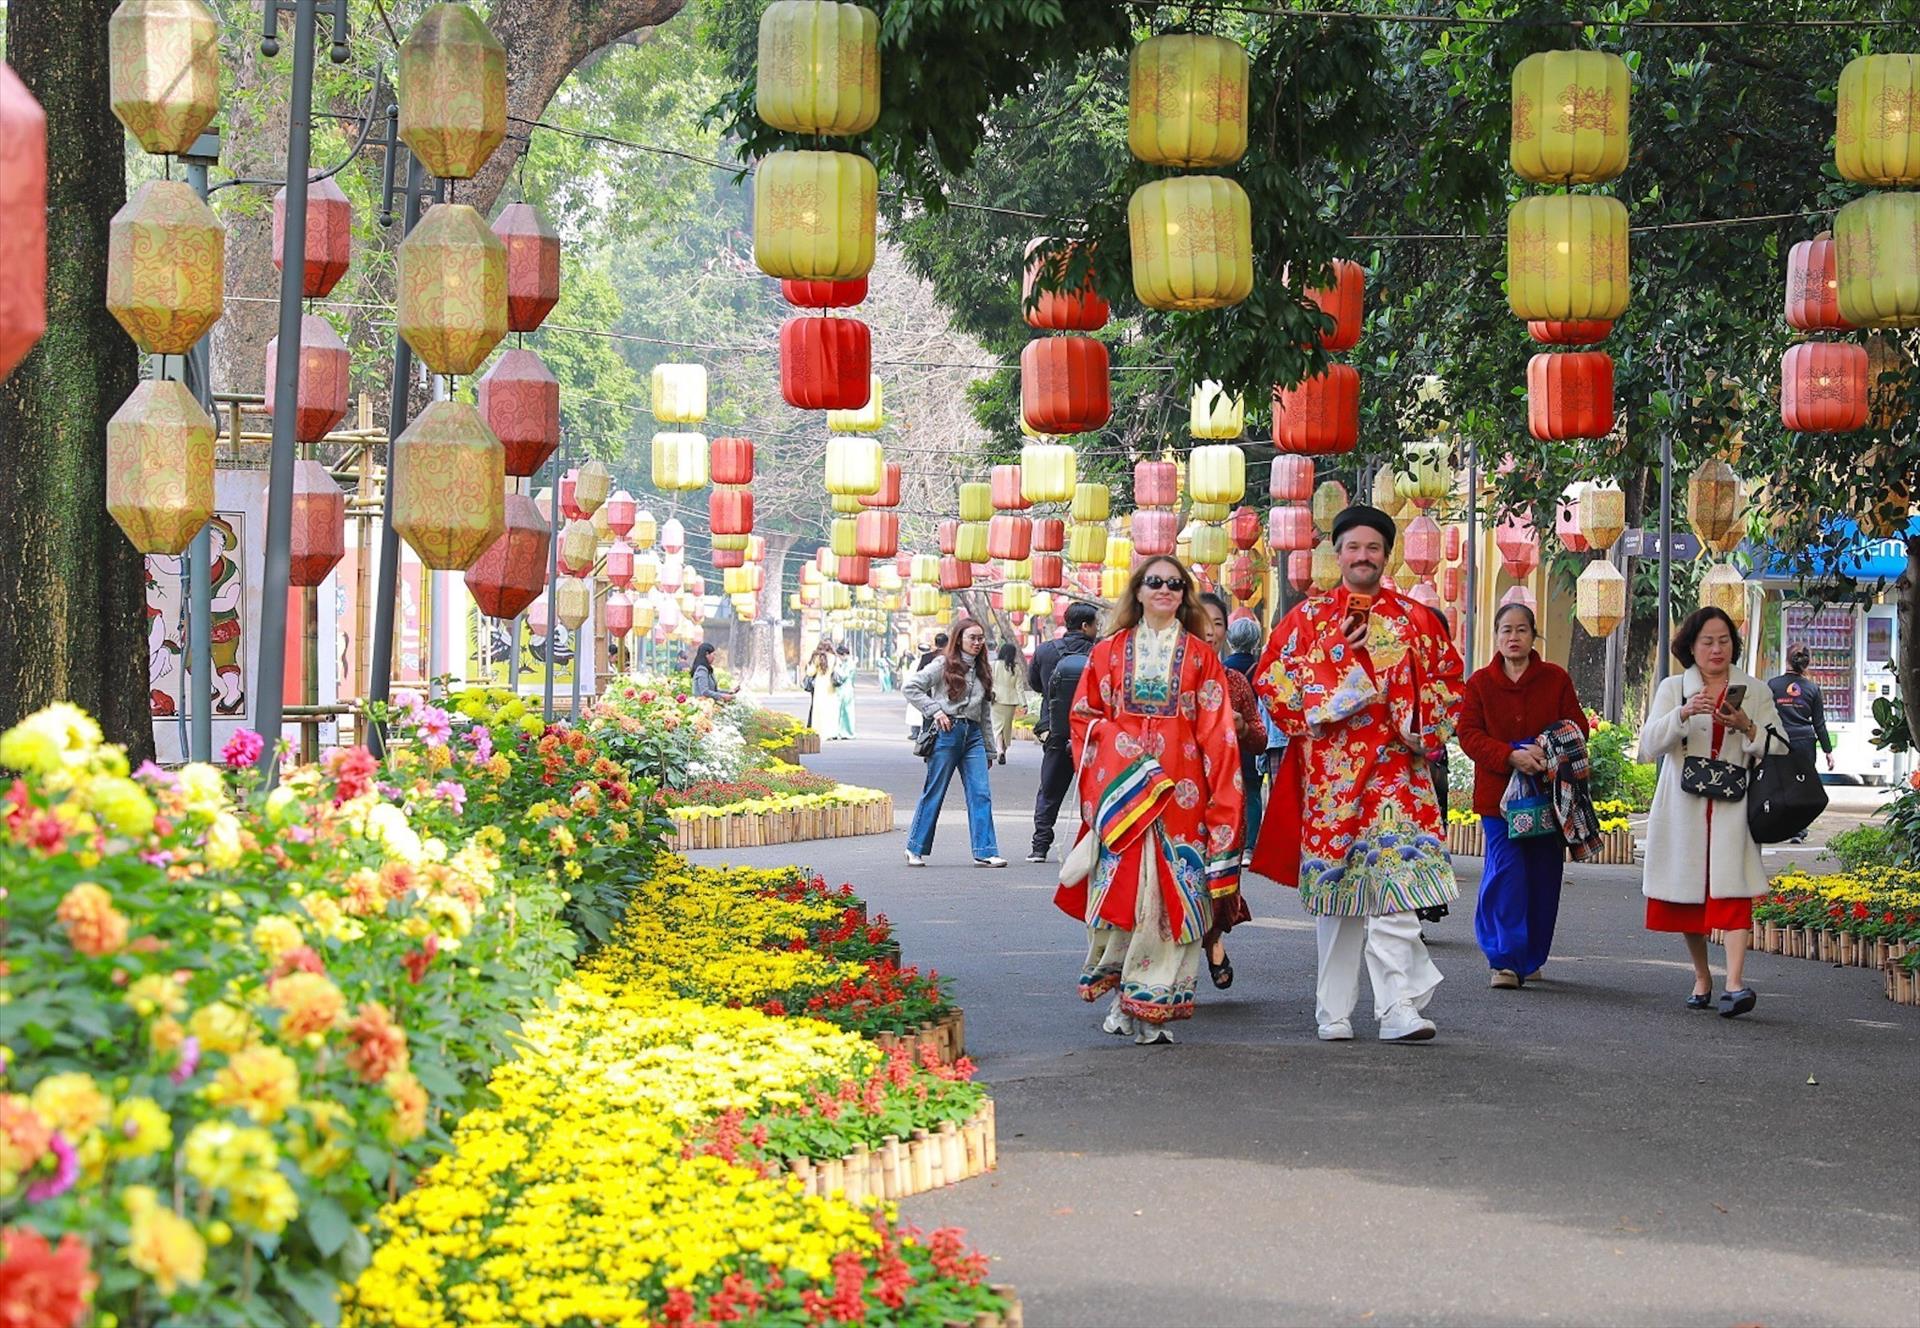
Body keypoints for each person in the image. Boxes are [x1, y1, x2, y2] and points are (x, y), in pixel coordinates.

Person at [1252, 505, 1464, 1044]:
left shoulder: (1417, 620)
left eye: (1373, 548)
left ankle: (1398, 1009)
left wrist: (1420, 727)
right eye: (1353, 547)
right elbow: (1273, 682)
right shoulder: (1307, 620)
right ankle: (1334, 1011)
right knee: (1339, 900)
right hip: (1332, 780)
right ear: (1338, 554)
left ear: (1385, 556)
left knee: (1396, 893)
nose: (1363, 556)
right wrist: (1339, 658)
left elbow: (1448, 682)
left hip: (1397, 774)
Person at [1054, 557, 1244, 1045]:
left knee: (1174, 899)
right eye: (1155, 582)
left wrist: (1223, 806)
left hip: (1183, 796)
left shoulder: (1202, 658)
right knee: (1126, 899)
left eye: (1175, 584)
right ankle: (1125, 997)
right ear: (1137, 591)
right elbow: (1084, 717)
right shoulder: (1107, 653)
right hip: (1124, 797)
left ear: (1185, 595)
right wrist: (1126, 755)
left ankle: (1153, 1003)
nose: (1165, 589)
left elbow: (1218, 737)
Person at [1638, 607, 1782, 1018]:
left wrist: (1748, 727)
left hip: (1733, 807)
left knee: (1734, 892)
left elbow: (1781, 746)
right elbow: (1649, 745)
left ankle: (1734, 984)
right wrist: (1682, 714)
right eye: (1707, 641)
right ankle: (1703, 976)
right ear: (1691, 647)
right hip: (1683, 806)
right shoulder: (1672, 688)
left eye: (1724, 640)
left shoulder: (1755, 690)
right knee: (1687, 897)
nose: (1717, 649)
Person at [1456, 603, 1587, 990]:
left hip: (1548, 798)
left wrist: (1545, 752)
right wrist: (1509, 754)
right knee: (1507, 873)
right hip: (1498, 801)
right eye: (1506, 630)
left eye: (1521, 630)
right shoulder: (1479, 683)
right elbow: (1468, 734)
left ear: (1533, 636)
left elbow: (1577, 727)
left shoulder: (1555, 679)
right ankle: (1506, 960)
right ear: (1496, 636)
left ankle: (1531, 955)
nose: (1513, 638)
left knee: (1543, 877)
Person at [902, 618, 1007, 868]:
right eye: (972, 637)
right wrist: (935, 711)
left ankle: (985, 851)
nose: (977, 642)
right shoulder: (943, 664)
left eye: (980, 638)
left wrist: (990, 750)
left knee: (981, 793)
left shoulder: (983, 670)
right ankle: (914, 847)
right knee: (935, 791)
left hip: (973, 737)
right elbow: (911, 687)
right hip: (947, 733)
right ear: (959, 639)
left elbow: (984, 716)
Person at [1197, 592, 1262, 989]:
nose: (1210, 630)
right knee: (1184, 875)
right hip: (1177, 799)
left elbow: (1257, 737)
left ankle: (1213, 938)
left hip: (1225, 798)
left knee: (1220, 878)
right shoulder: (1167, 680)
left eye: (1218, 623)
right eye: (1201, 621)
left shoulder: (1235, 682)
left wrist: (1240, 728)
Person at [1027, 604, 1099, 863]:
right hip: (1092, 734)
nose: (1096, 629)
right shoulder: (1100, 651)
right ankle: (1092, 847)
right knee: (1094, 789)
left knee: (1049, 790)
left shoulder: (1046, 651)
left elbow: (1035, 683)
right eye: (1095, 624)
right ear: (1085, 626)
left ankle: (1039, 846)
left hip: (1055, 730)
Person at [1768, 644, 1836, 843]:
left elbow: (1765, 716)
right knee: (1802, 785)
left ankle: (1779, 825)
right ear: (1806, 664)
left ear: (1787, 660)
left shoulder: (1773, 685)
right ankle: (1799, 829)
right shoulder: (1812, 689)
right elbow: (1819, 724)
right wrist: (1828, 751)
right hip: (1805, 742)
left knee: (1778, 783)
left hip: (1779, 740)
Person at [1222, 614, 1268, 864]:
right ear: (1255, 641)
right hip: (1250, 740)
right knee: (1252, 791)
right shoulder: (1260, 670)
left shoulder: (1227, 671)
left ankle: (1230, 841)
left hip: (1227, 746)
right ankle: (1249, 847)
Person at [988, 643, 1023, 763]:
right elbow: (1019, 688)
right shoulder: (1016, 668)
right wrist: (1024, 704)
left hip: (996, 700)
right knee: (1006, 728)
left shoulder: (993, 665)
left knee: (997, 726)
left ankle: (999, 750)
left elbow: (989, 683)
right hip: (1011, 701)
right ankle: (1004, 749)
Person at [804, 643, 839, 734]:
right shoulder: (834, 658)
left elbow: (810, 672)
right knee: (830, 709)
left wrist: (808, 666)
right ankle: (830, 732)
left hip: (820, 685)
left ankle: (819, 731)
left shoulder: (817, 658)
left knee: (818, 709)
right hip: (830, 686)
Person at [833, 644, 858, 740]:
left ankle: (847, 732)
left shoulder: (849, 663)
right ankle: (843, 731)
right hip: (847, 688)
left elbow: (843, 675)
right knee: (845, 711)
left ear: (843, 654)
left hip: (845, 688)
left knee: (845, 711)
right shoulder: (848, 662)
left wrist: (836, 669)